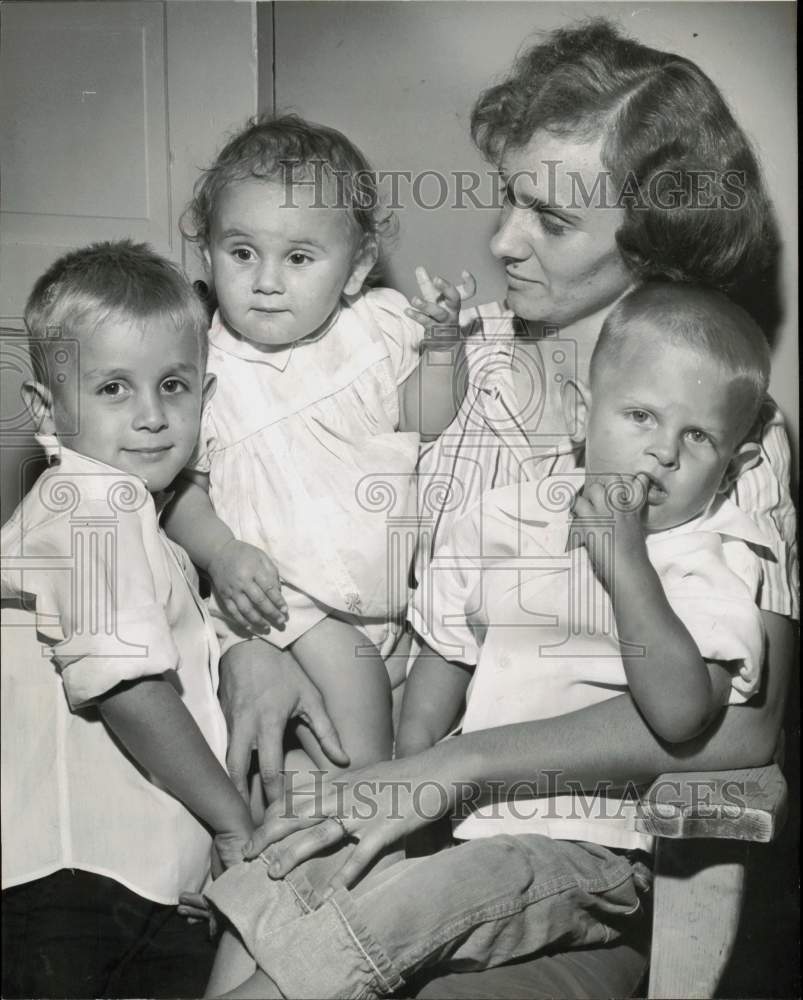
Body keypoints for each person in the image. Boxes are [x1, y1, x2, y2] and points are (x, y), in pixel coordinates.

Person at [197, 20, 797, 1000]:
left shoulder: (723, 438)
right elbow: (271, 482)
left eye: (551, 222)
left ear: (652, 243)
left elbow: (740, 729)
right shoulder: (452, 357)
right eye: (510, 199)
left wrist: (458, 767)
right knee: (269, 902)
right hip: (377, 767)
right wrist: (249, 648)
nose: (502, 240)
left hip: (567, 864)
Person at [201, 282, 775, 998]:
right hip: (463, 826)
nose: (660, 451)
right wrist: (400, 794)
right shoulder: (505, 516)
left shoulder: (711, 554)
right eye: (639, 416)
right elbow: (442, 667)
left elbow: (682, 714)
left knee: (410, 907)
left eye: (697, 437)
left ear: (737, 462)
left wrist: (623, 562)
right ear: (580, 411)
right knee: (298, 848)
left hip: (592, 850)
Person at [163, 114, 470, 791]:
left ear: (356, 266)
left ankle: (322, 812)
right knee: (363, 733)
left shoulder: (379, 326)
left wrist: (444, 350)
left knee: (399, 724)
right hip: (288, 598)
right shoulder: (200, 363)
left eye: (298, 258)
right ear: (206, 252)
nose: (266, 281)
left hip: (395, 598)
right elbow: (180, 487)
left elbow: (426, 418)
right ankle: (372, 808)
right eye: (241, 253)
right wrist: (221, 551)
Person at [0, 241, 255, 998]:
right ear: (46, 408)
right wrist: (233, 823)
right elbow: (131, 693)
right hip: (76, 888)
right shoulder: (92, 504)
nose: (151, 416)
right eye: (114, 388)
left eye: (173, 385)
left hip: (124, 884)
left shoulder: (124, 514)